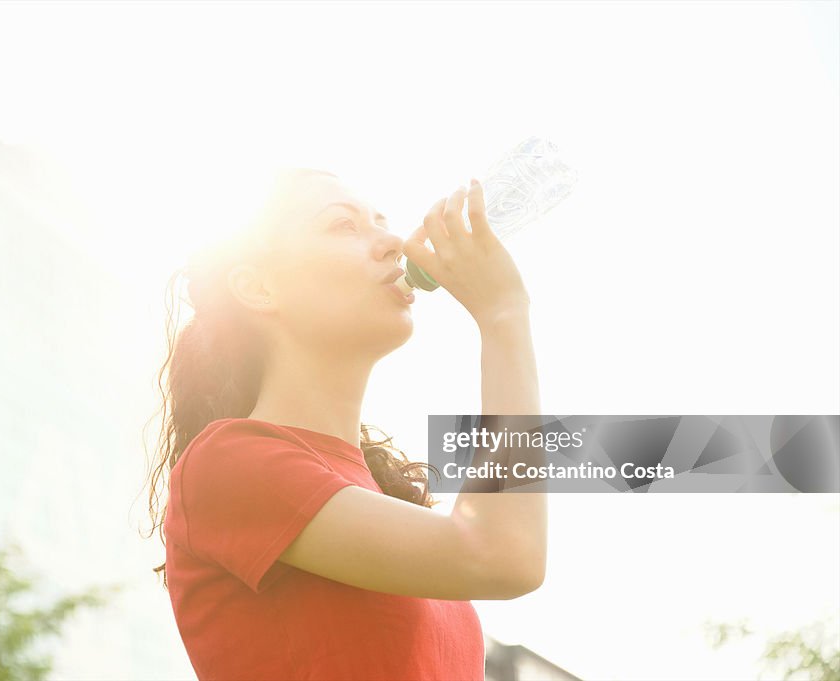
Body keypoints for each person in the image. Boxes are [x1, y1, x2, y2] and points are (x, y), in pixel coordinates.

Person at [141, 167, 546, 680]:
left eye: (382, 223)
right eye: (344, 226)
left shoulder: (376, 499)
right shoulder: (231, 462)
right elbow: (505, 557)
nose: (394, 243)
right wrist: (504, 316)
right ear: (259, 286)